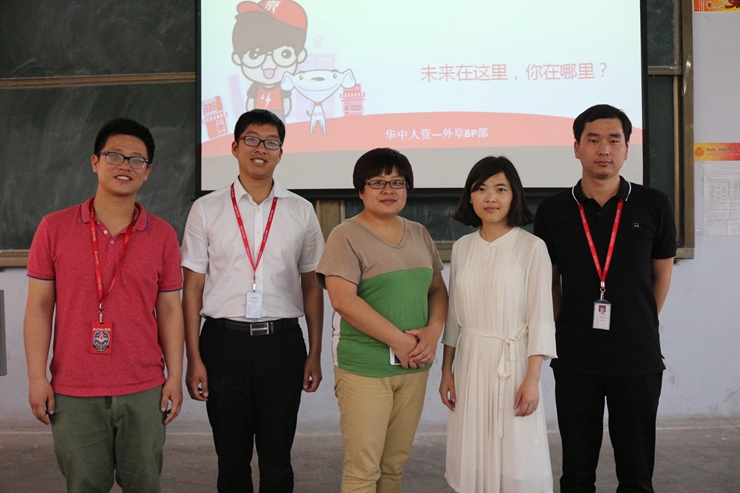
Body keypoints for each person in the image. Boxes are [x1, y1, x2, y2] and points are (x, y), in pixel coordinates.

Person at [23, 118, 185, 493]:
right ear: (95, 162)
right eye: (114, 155)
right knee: (83, 485)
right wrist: (36, 378)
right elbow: (39, 307)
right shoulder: (53, 228)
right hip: (74, 391)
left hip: (144, 389)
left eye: (137, 159)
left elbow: (170, 311)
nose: (125, 165)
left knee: (145, 485)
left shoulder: (163, 235)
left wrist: (175, 376)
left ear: (148, 171)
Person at [534, 104, 676, 493]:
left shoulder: (653, 204)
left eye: (614, 140)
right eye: (593, 139)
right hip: (576, 355)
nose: (604, 149)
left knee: (637, 472)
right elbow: (549, 280)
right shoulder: (554, 210)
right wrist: (566, 322)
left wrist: (640, 320)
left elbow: (662, 273)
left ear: (627, 148)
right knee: (577, 471)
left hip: (637, 355)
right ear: (576, 147)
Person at [181, 109, 324, 492]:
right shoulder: (206, 209)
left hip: (282, 345)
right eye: (252, 139)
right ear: (234, 147)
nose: (261, 148)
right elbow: (192, 288)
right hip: (223, 344)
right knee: (231, 459)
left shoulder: (301, 210)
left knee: (278, 457)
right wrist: (194, 358)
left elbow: (312, 285)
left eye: (271, 142)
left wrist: (314, 353)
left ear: (281, 152)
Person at [316, 148, 448, 493]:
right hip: (364, 368)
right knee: (363, 470)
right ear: (361, 190)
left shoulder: (419, 232)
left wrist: (434, 331)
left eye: (397, 182)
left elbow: (437, 289)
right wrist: (399, 341)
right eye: (377, 182)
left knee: (393, 466)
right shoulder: (345, 235)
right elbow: (343, 300)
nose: (388, 189)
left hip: (414, 366)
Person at [439, 156, 557, 493]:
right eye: (482, 189)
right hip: (470, 363)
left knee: (517, 455)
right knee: (472, 452)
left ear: (514, 195)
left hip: (515, 364)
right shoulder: (462, 248)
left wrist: (533, 378)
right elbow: (455, 315)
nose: (491, 197)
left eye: (501, 189)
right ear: (470, 196)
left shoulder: (532, 247)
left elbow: (540, 316)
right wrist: (446, 370)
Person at [232, 0, 308, 121]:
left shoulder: (282, 87)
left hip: (278, 115)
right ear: (238, 58)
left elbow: (286, 103)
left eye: (284, 54)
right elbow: (250, 103)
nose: (269, 65)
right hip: (256, 119)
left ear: (300, 55)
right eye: (254, 55)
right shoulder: (255, 87)